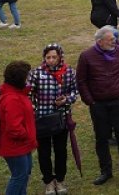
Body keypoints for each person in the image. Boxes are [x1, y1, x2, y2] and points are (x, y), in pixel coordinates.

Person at [77, 25, 119, 187]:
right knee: (101, 138)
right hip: (98, 104)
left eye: (114, 39)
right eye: (110, 40)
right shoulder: (86, 56)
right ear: (99, 41)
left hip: (118, 101)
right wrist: (90, 101)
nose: (113, 42)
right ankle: (105, 171)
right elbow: (81, 80)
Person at [27, 43, 78, 194]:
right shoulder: (36, 73)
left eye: (54, 57)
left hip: (61, 118)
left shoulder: (69, 72)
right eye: (48, 57)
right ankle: (48, 181)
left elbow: (75, 91)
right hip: (42, 119)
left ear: (60, 57)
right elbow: (29, 93)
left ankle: (60, 180)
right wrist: (34, 108)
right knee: (44, 152)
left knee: (61, 150)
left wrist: (66, 99)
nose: (51, 60)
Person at [0, 60, 38, 195]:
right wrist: (27, 135)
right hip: (16, 146)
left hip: (22, 145)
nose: (29, 78)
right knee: (19, 177)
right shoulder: (12, 99)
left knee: (24, 174)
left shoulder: (17, 94)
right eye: (27, 76)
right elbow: (14, 128)